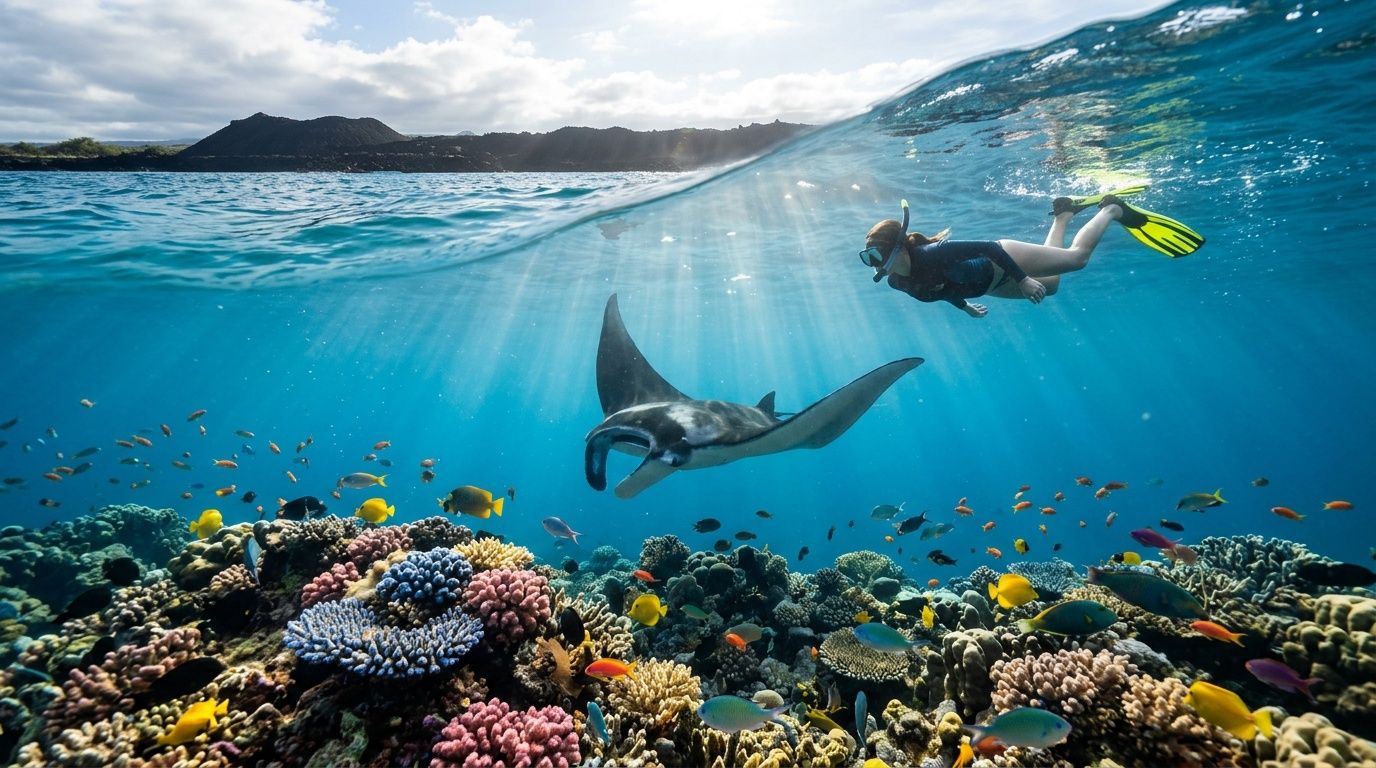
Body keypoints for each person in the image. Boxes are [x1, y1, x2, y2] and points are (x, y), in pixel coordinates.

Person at [858, 187, 1203, 317]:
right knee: (1051, 286)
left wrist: (1022, 280)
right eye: (868, 258)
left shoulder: (934, 253)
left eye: (875, 255)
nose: (875, 265)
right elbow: (936, 288)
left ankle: (1112, 209)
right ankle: (1065, 213)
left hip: (1003, 259)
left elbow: (988, 247)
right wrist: (964, 308)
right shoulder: (898, 283)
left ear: (900, 247)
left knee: (1077, 260)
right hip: (991, 286)